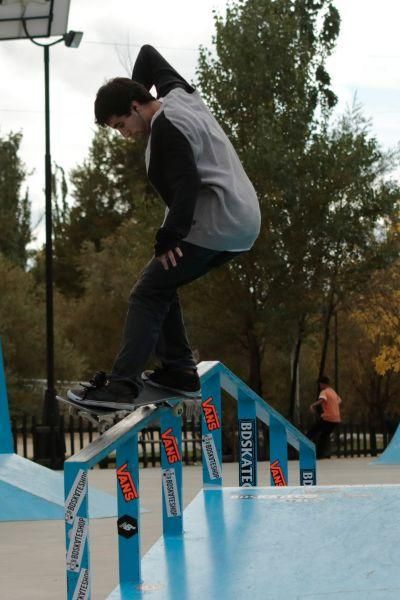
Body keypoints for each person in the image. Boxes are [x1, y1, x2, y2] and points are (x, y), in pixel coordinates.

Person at [68, 45, 261, 410]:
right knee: (162, 283)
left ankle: (123, 386)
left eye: (122, 125)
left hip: (215, 221)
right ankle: (178, 370)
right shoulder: (180, 96)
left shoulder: (166, 130)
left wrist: (169, 236)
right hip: (243, 220)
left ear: (137, 107)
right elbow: (148, 54)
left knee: (147, 292)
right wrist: (129, 87)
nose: (125, 134)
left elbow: (187, 183)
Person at [307, 376, 342, 458]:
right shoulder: (333, 392)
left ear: (322, 384)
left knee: (312, 431)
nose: (319, 386)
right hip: (336, 419)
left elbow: (322, 400)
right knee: (324, 436)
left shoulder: (324, 392)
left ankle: (305, 448)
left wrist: (313, 405)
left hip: (328, 417)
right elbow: (339, 400)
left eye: (320, 384)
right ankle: (319, 455)